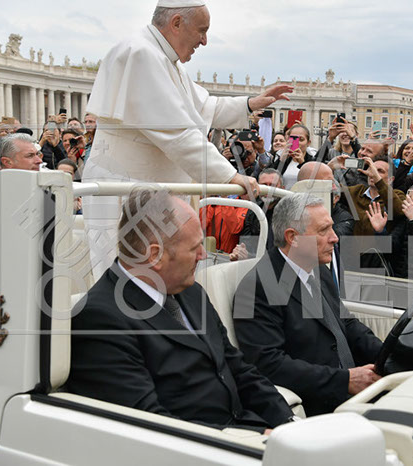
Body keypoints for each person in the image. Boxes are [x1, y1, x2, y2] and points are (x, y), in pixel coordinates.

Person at [82, 0, 291, 278]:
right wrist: (230, 176)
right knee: (127, 277)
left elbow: (204, 108)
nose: (204, 41)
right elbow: (177, 132)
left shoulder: (165, 60)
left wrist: (250, 103)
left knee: (155, 277)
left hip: (149, 193)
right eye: (202, 31)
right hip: (125, 190)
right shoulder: (141, 53)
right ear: (177, 23)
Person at [68, 189, 295, 432]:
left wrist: (288, 422)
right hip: (202, 444)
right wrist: (255, 438)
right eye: (195, 247)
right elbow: (150, 424)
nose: (203, 255)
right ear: (155, 255)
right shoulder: (99, 321)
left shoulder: (190, 291)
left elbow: (237, 367)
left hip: (245, 429)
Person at [233, 193, 383, 416]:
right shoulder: (255, 288)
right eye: (323, 230)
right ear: (292, 237)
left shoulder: (318, 269)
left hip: (356, 394)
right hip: (319, 408)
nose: (335, 238)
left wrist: (387, 356)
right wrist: (345, 380)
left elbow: (347, 324)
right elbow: (269, 365)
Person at [271, 124, 316, 189]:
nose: (297, 143)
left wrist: (302, 163)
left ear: (308, 143)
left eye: (301, 139)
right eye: (294, 139)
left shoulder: (313, 161)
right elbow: (269, 177)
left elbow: (314, 182)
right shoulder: (284, 160)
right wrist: (281, 160)